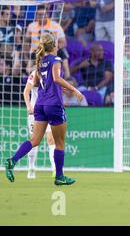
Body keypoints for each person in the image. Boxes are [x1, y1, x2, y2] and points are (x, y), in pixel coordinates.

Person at [4, 33, 83, 185]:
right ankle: (59, 176)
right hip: (53, 105)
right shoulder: (56, 60)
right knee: (59, 143)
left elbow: (38, 84)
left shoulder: (40, 62)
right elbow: (57, 79)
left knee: (34, 140)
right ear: (54, 46)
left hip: (40, 105)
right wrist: (75, 90)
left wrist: (59, 89)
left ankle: (12, 160)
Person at [24, 70, 57, 179]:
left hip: (48, 111)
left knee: (51, 138)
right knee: (34, 142)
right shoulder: (35, 74)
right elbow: (26, 91)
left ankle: (55, 169)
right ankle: (31, 167)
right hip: (35, 113)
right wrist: (29, 106)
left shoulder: (53, 73)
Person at [25, 5, 69, 79]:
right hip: (36, 53)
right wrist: (26, 55)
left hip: (52, 52)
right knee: (28, 68)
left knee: (63, 53)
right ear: (36, 15)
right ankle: (33, 79)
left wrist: (54, 50)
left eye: (44, 14)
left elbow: (63, 42)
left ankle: (68, 78)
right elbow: (26, 42)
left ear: (47, 14)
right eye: (39, 14)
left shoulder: (55, 26)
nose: (42, 16)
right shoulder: (31, 26)